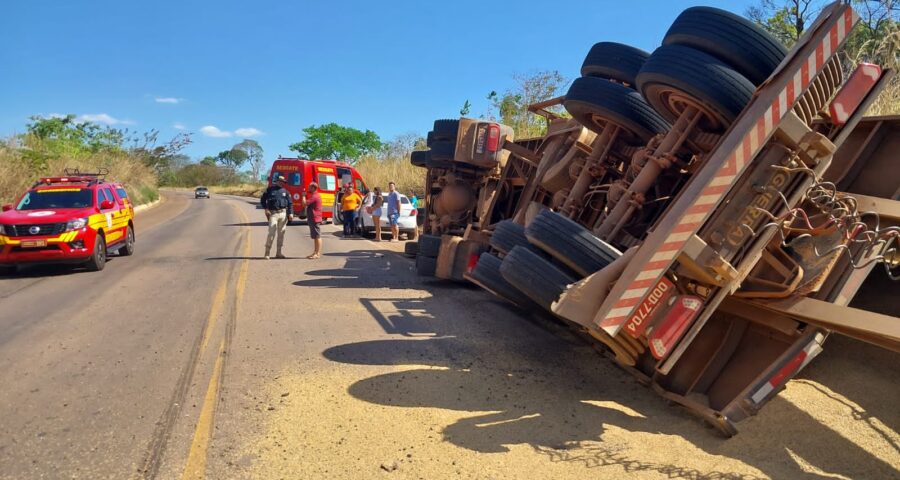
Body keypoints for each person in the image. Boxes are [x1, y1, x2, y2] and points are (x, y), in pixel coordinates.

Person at [260, 174, 294, 259]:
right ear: (277, 181)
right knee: (271, 233)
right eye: (281, 182)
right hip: (273, 214)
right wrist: (266, 208)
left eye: (283, 182)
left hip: (283, 214)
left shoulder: (285, 192)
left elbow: (290, 203)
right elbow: (262, 200)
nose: (282, 183)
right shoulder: (269, 190)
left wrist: (291, 213)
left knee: (281, 234)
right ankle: (267, 253)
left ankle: (279, 253)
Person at [302, 182, 323, 259]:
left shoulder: (315, 196)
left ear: (313, 188)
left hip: (315, 218)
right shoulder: (314, 195)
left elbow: (304, 204)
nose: (308, 189)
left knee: (317, 236)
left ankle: (317, 253)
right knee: (315, 236)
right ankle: (315, 252)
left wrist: (303, 196)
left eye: (309, 187)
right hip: (313, 218)